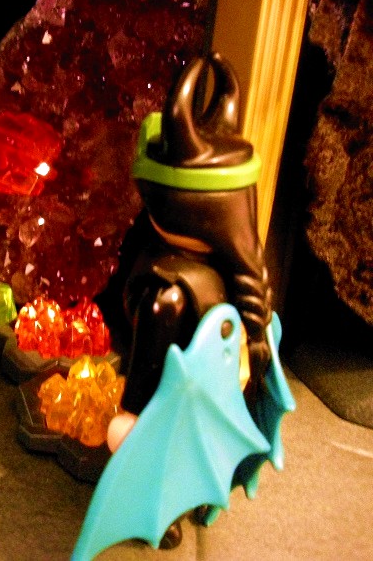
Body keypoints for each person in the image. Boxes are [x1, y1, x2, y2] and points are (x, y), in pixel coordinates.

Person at [107, 53, 273, 547]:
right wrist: (132, 412)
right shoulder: (166, 294)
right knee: (169, 447)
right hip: (171, 401)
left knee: (202, 443)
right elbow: (144, 366)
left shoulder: (218, 275)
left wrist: (252, 349)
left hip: (210, 391)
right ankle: (155, 506)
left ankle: (206, 485)